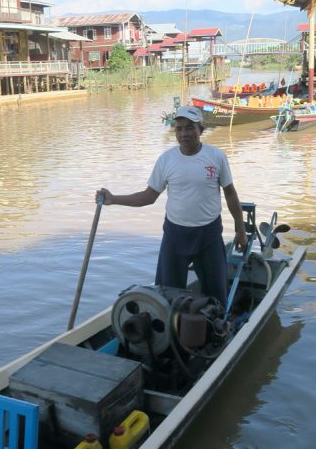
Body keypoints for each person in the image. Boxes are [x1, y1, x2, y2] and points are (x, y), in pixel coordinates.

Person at [96, 105, 248, 306]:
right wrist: (114, 199)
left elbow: (230, 194)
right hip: (175, 234)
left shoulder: (217, 157)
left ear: (201, 130)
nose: (184, 133)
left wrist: (240, 229)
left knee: (216, 292)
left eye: (189, 127)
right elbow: (149, 196)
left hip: (209, 233)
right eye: (179, 128)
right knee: (167, 293)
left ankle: (217, 327)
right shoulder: (166, 160)